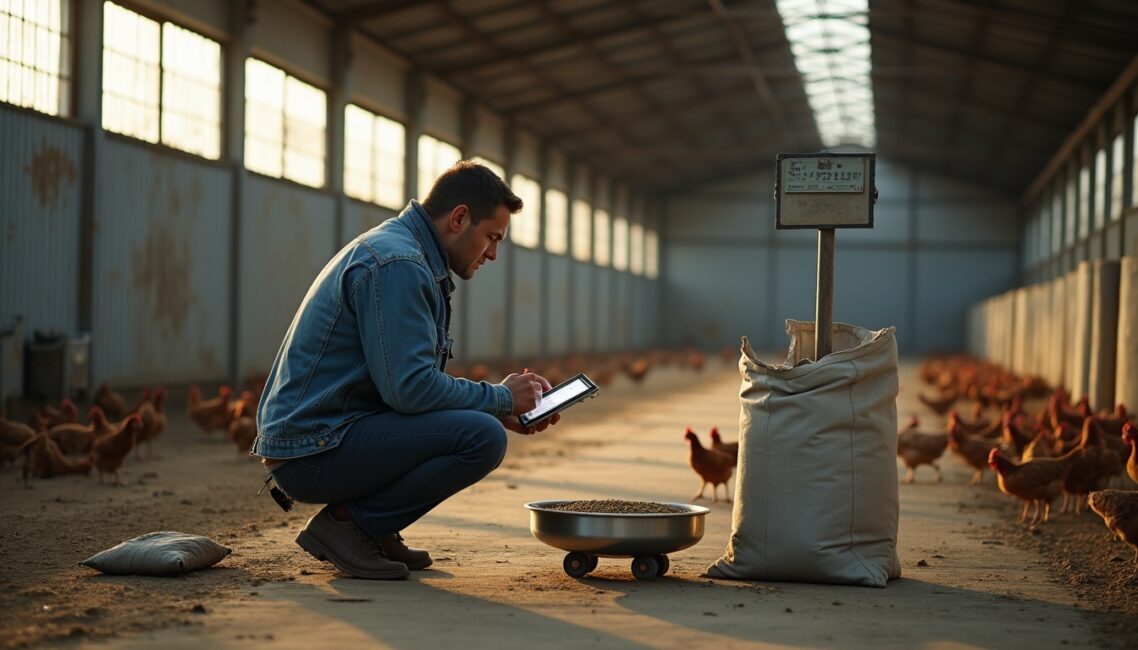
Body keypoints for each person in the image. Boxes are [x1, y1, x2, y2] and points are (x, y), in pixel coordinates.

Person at [253, 161, 559, 580]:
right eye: (492, 237)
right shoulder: (398, 263)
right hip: (312, 450)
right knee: (481, 438)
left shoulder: (405, 252)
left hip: (330, 434)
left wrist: (499, 409)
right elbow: (410, 390)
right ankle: (348, 525)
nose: (492, 253)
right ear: (459, 218)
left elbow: (404, 391)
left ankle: (373, 527)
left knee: (482, 425)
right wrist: (500, 399)